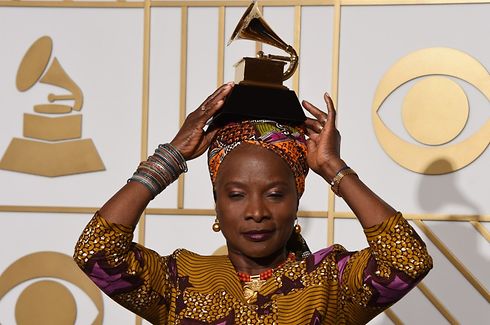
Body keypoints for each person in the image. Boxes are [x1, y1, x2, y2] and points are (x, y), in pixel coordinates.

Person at [74, 82, 433, 324]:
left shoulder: (329, 282)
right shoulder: (179, 281)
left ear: (297, 201)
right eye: (236, 194)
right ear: (217, 203)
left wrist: (334, 169)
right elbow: (97, 253)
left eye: (276, 194)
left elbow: (408, 260)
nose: (257, 211)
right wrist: (168, 159)